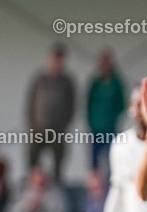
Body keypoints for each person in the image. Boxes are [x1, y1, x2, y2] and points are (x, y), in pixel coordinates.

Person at [25, 43, 76, 182]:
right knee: (32, 160)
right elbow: (30, 104)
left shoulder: (67, 82)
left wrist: (63, 126)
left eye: (59, 59)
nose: (56, 62)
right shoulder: (39, 79)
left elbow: (72, 106)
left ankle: (56, 186)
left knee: (59, 161)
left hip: (58, 130)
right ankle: (32, 185)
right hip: (38, 128)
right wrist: (32, 124)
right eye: (53, 58)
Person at [86, 49, 126, 172]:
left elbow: (121, 104)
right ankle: (95, 185)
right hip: (96, 128)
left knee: (112, 157)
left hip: (110, 127)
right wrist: (91, 122)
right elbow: (88, 104)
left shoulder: (116, 83)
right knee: (94, 160)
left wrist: (113, 119)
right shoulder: (95, 83)